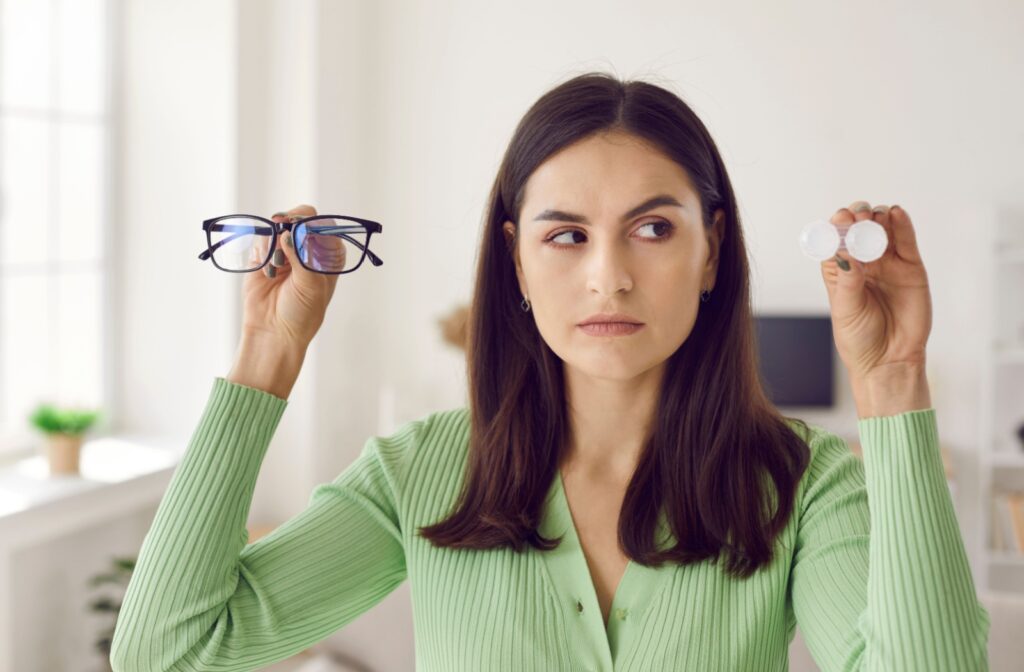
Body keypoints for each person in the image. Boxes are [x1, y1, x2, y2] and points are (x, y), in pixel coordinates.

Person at [110, 72, 990, 672]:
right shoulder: (421, 476)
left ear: (713, 250)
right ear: (518, 262)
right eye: (566, 235)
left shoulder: (801, 485)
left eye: (653, 229)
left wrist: (894, 382)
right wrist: (268, 355)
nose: (608, 275)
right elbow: (171, 651)